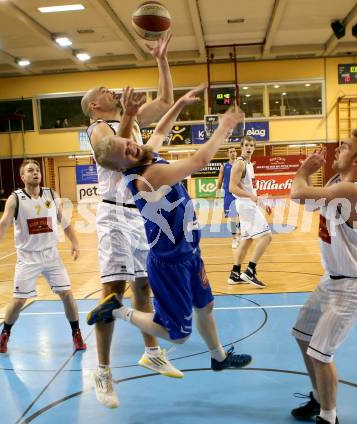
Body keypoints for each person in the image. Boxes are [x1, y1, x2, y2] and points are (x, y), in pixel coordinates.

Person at [87, 86, 252, 375]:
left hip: (190, 251)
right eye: (126, 148)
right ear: (123, 163)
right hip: (170, 261)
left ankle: (218, 356)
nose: (132, 145)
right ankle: (116, 310)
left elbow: (160, 130)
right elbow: (200, 161)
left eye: (130, 142)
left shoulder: (146, 156)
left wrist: (178, 104)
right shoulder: (149, 176)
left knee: (206, 305)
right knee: (178, 335)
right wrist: (224, 127)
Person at [80, 32, 182, 409]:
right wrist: (128, 115)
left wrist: (161, 58)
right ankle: (103, 370)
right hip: (112, 213)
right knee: (113, 293)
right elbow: (115, 158)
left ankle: (152, 352)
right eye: (105, 90)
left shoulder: (131, 121)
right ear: (94, 105)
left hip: (139, 214)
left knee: (145, 284)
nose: (112, 90)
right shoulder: (98, 129)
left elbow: (167, 100)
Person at [289, 130, 357, 424]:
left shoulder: (354, 191)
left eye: (345, 147)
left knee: (321, 353)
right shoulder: (335, 183)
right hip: (332, 280)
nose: (338, 149)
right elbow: (304, 203)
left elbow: (297, 192)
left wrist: (304, 170)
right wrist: (305, 175)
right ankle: (319, 397)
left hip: (354, 285)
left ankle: (329, 418)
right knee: (303, 334)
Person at [0, 159, 87, 354]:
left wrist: (75, 242)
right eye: (30, 170)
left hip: (51, 256)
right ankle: (5, 334)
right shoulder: (15, 199)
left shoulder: (51, 194)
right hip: (27, 258)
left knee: (67, 294)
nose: (35, 172)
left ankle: (76, 333)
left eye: (37, 170)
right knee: (18, 301)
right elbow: (2, 226)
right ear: (22, 177)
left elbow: (64, 221)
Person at [227, 136, 272, 288]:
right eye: (246, 145)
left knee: (247, 239)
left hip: (248, 204)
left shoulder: (248, 164)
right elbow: (232, 188)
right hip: (245, 205)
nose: (249, 147)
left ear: (254, 148)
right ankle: (250, 271)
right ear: (241, 147)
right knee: (267, 236)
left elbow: (250, 190)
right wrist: (251, 197)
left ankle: (235, 273)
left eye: (251, 145)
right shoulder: (239, 163)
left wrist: (261, 202)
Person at [216, 146, 240, 249]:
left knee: (241, 218)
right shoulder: (224, 166)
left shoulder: (241, 164)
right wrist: (217, 196)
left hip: (240, 195)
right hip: (229, 195)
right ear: (228, 154)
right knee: (232, 218)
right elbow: (220, 181)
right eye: (231, 152)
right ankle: (235, 238)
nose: (233, 153)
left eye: (234, 151)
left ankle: (241, 235)